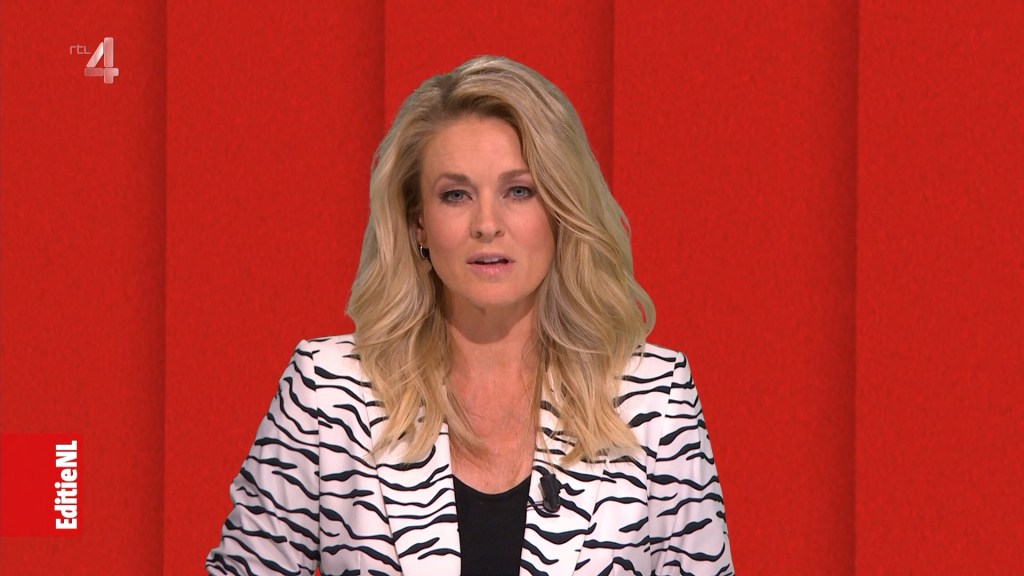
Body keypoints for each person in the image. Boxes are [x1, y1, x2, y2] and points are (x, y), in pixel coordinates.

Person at [207, 55, 733, 576]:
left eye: (518, 191)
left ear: (560, 210)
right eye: (455, 195)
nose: (487, 223)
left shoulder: (655, 399)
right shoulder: (328, 392)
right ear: (418, 223)